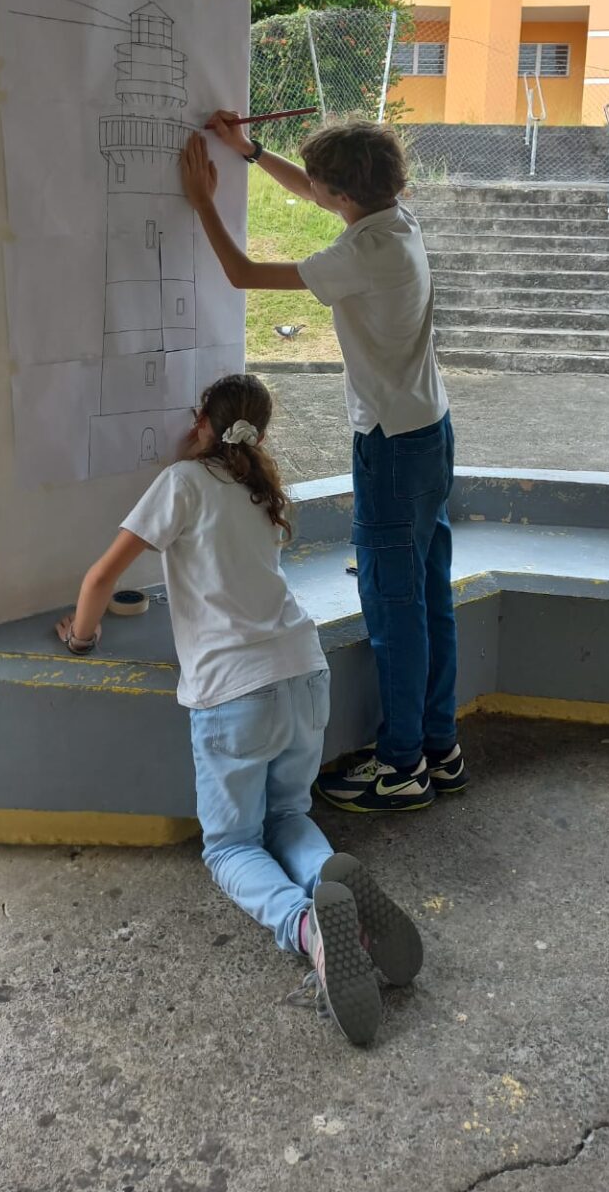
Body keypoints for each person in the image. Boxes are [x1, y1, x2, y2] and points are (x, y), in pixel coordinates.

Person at [56, 373, 422, 1045]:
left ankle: (308, 927)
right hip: (304, 673)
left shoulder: (182, 482)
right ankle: (327, 877)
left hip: (235, 694)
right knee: (288, 816)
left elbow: (101, 577)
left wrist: (81, 637)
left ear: (202, 422)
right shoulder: (260, 490)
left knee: (229, 846)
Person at [179, 115, 466, 815]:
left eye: (320, 186)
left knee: (394, 609)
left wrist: (203, 202)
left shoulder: (361, 252)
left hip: (391, 448)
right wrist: (252, 152)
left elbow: (244, 273)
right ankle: (439, 746)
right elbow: (318, 191)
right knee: (428, 595)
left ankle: (401, 767)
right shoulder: (397, 221)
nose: (312, 192)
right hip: (430, 433)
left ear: (342, 195)